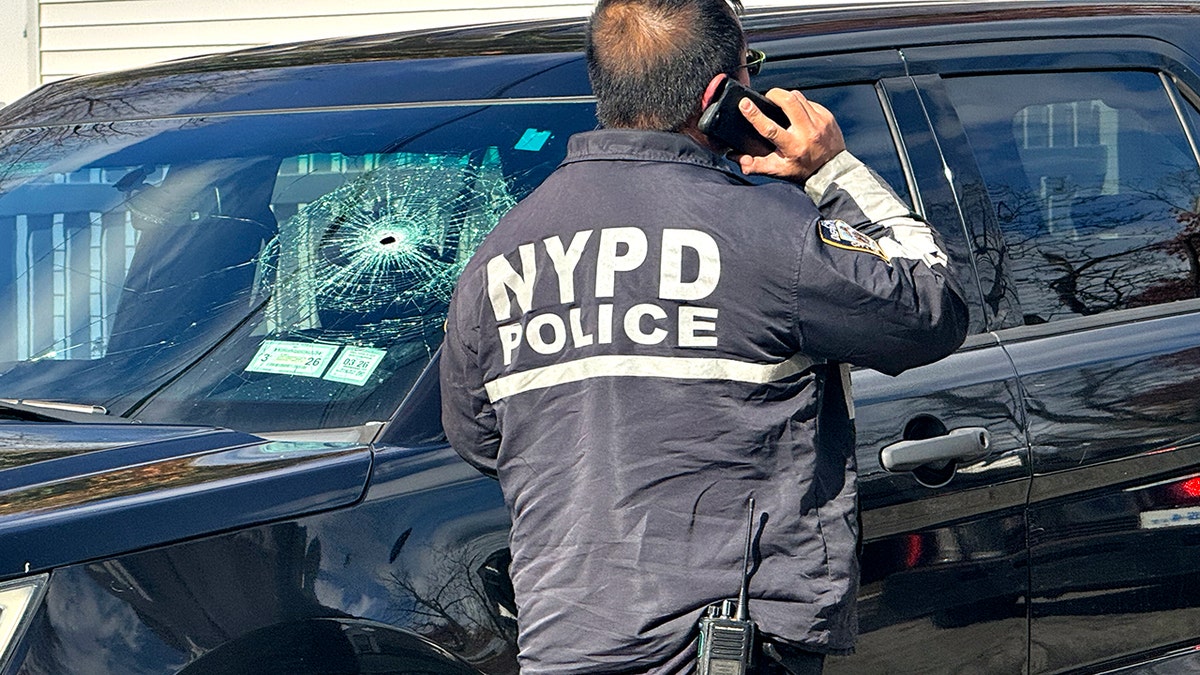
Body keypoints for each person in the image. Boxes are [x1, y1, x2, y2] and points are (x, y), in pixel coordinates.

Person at [439, 0, 969, 672]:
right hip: (724, 643)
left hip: (565, 644)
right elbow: (933, 306)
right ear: (723, 93)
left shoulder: (498, 254)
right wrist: (830, 170)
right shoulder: (770, 233)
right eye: (754, 67)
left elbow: (478, 436)